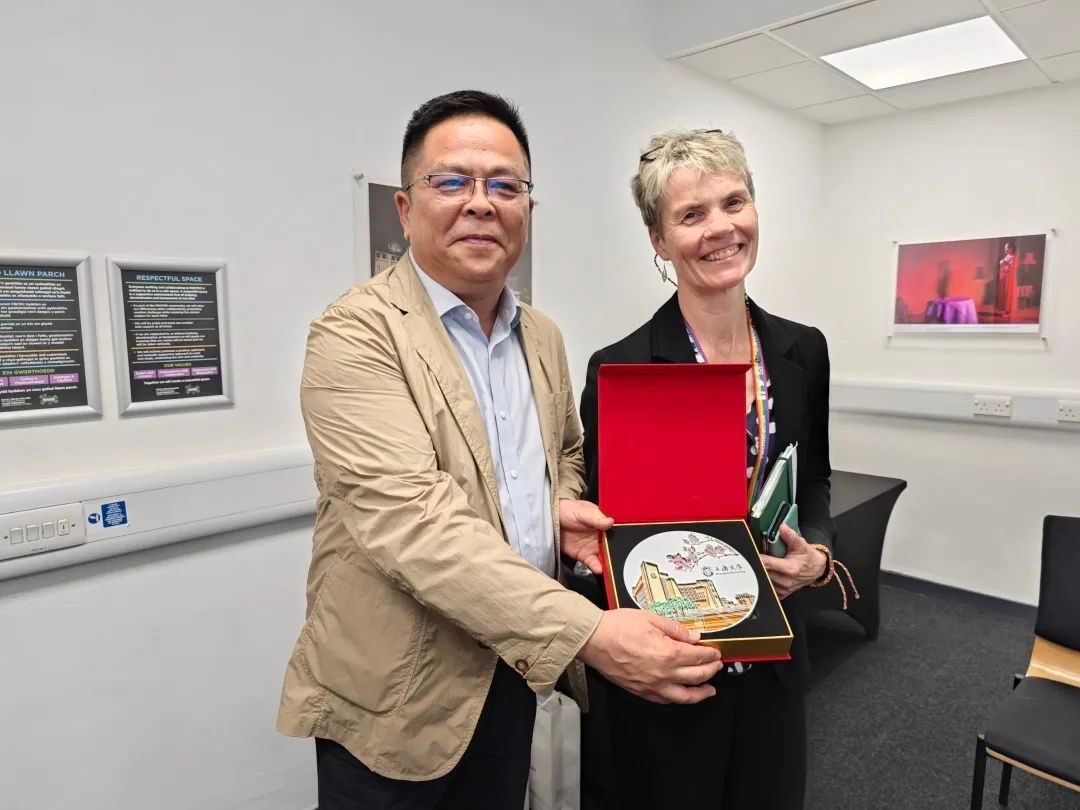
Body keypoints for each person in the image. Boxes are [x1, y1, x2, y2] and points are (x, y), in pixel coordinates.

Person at [276, 93, 724, 810]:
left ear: (527, 210)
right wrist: (589, 634)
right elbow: (414, 524)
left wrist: (557, 507)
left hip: (513, 671)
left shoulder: (540, 336)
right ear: (405, 208)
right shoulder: (354, 335)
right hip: (399, 703)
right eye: (451, 181)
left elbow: (565, 452)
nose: (481, 203)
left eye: (505, 186)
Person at [579, 128, 846, 809]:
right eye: (691, 214)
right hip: (673, 669)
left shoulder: (803, 350)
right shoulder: (620, 369)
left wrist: (817, 554)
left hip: (775, 662)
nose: (721, 228)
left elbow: (814, 477)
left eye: (734, 202)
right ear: (659, 241)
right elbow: (608, 532)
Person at [995, 240, 1017, 318]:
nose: (1005, 249)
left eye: (1007, 248)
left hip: (1009, 278)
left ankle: (1008, 311)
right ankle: (1004, 309)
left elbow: (1011, 268)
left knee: (1008, 294)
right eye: (1005, 248)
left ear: (1011, 249)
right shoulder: (1007, 256)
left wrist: (1004, 263)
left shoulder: (1013, 257)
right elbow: (1003, 266)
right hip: (1004, 277)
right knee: (1003, 293)